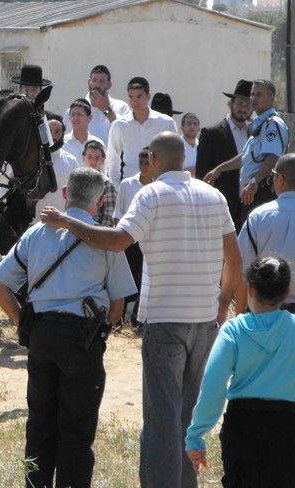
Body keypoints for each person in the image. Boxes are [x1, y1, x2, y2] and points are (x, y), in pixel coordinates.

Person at [40, 132, 241, 488]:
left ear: (155, 162)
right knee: (188, 416)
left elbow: (116, 241)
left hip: (165, 321)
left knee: (163, 418)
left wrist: (68, 221)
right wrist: (222, 305)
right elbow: (234, 261)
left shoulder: (151, 194)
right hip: (204, 320)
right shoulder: (215, 196)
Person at [0, 167, 135, 488]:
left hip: (41, 334)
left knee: (39, 427)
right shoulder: (106, 239)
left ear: (65, 194)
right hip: (84, 340)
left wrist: (25, 323)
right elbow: (116, 310)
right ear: (98, 203)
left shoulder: (35, 233)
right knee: (77, 433)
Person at [186, 257, 295, 488]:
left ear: (250, 289)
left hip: (242, 425)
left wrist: (196, 434)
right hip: (287, 427)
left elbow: (213, 387)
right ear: (287, 292)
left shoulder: (233, 331)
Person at [205, 79, 289, 226]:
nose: (253, 99)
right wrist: (219, 169)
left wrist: (254, 182)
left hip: (262, 191)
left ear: (271, 98)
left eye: (259, 95)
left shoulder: (272, 124)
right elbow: (245, 157)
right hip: (252, 193)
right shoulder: (260, 124)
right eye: (252, 94)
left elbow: (273, 157)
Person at [237, 153, 295, 313]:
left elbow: (242, 272)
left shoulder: (258, 216)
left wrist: (238, 318)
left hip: (264, 315)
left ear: (281, 178)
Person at [196, 80, 252, 231]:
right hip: (222, 206)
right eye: (240, 103)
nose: (243, 108)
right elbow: (202, 174)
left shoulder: (255, 133)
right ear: (230, 104)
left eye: (248, 105)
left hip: (250, 205)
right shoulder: (212, 133)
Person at [106, 77, 177, 183]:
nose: (134, 101)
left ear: (148, 96)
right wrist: (116, 187)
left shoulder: (166, 123)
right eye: (131, 97)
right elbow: (113, 159)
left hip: (159, 183)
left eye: (139, 96)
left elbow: (175, 154)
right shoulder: (119, 125)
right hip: (130, 184)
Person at [114, 148, 153, 317]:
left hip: (149, 240)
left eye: (147, 163)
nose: (144, 166)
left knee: (144, 278)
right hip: (129, 238)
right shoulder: (127, 184)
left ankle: (139, 316)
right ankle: (121, 315)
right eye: (141, 163)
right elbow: (118, 213)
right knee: (126, 277)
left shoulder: (157, 186)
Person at [63, 65, 130, 147]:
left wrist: (107, 110)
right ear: (89, 82)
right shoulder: (73, 112)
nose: (97, 85)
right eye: (94, 80)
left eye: (102, 81)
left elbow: (128, 134)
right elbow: (65, 141)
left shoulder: (121, 107)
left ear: (109, 85)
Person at [31, 117, 78, 215]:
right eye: (49, 131)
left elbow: (76, 192)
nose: (52, 136)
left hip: (60, 219)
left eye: (57, 132)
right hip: (33, 219)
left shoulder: (71, 161)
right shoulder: (30, 158)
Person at [81, 140, 116, 227]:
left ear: (103, 159)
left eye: (97, 157)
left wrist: (100, 236)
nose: (93, 161)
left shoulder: (106, 183)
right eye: (90, 157)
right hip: (76, 229)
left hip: (96, 232)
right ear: (83, 157)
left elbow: (109, 216)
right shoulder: (76, 180)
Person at [62, 98, 103, 167]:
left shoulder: (98, 143)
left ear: (90, 118)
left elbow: (103, 172)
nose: (75, 118)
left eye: (79, 114)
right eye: (72, 115)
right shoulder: (63, 144)